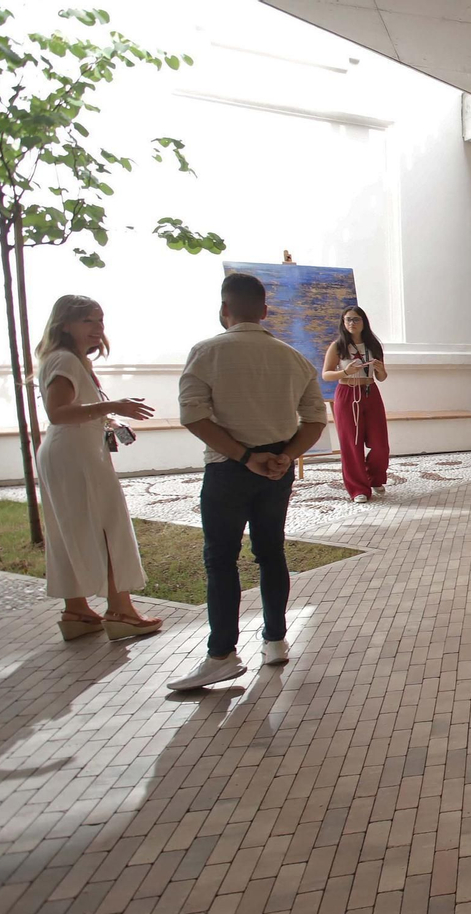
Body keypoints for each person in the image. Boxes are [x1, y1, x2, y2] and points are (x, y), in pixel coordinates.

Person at [170, 272, 327, 691]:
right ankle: (275, 640)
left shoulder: (206, 353)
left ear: (224, 309)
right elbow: (315, 420)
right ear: (264, 310)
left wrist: (244, 456)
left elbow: (193, 415)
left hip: (228, 467)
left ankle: (221, 654)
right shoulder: (293, 357)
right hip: (277, 466)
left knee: (221, 559)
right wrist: (286, 456)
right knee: (270, 551)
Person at [32, 295, 164, 642]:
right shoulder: (64, 360)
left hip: (73, 450)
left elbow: (73, 410)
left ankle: (76, 610)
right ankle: (120, 609)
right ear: (65, 324)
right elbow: (58, 411)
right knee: (107, 525)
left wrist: (108, 416)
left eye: (100, 320)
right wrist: (113, 405)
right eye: (89, 321)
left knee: (70, 528)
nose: (98, 328)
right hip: (74, 453)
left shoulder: (66, 359)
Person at [321, 306, 389, 503]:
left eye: (356, 319)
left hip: (370, 392)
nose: (352, 323)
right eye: (348, 320)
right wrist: (345, 372)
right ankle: (358, 488)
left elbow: (382, 378)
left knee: (379, 443)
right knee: (351, 443)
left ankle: (374, 477)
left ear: (364, 322)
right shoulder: (338, 346)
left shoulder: (373, 345)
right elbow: (326, 374)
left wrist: (380, 369)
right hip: (347, 394)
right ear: (343, 323)